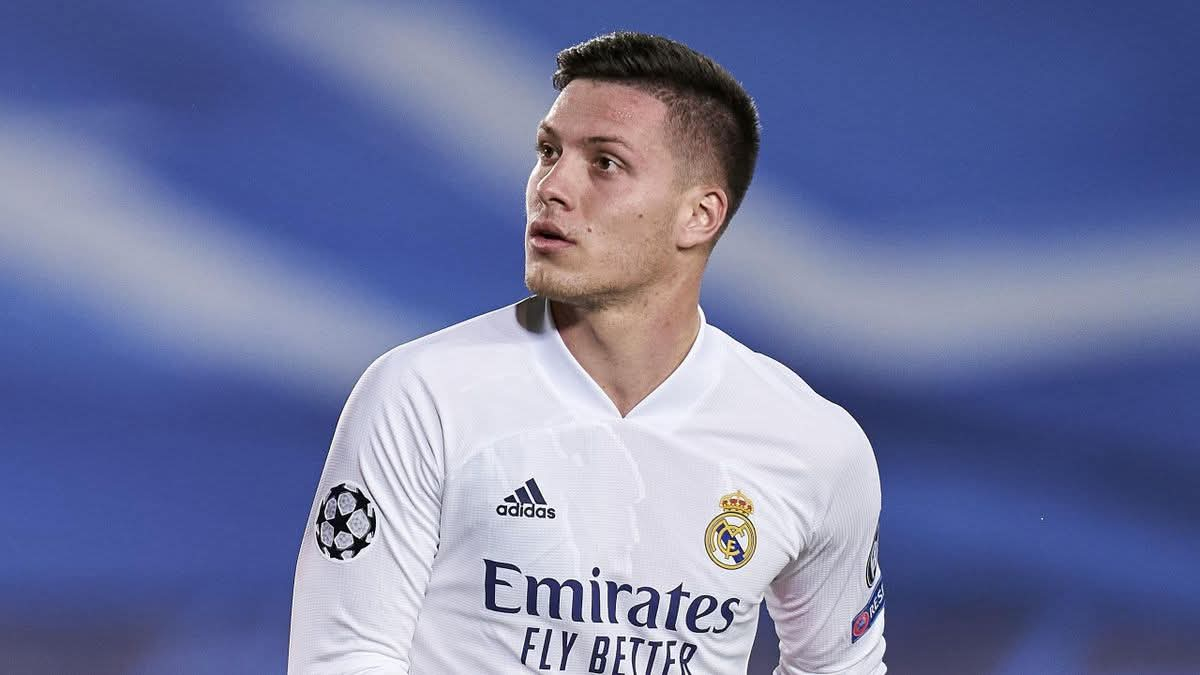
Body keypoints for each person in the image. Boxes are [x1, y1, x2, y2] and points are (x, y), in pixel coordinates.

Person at [289, 31, 885, 674]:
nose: (551, 186)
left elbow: (840, 667)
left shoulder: (816, 446)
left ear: (700, 215)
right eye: (548, 152)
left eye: (604, 163)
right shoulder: (422, 394)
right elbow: (344, 655)